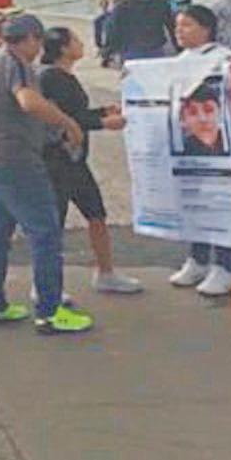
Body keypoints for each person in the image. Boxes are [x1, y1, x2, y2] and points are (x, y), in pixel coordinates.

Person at [0, 14, 95, 335]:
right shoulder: (16, 64)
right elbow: (28, 102)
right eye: (37, 41)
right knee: (45, 233)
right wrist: (67, 123)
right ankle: (50, 311)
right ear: (28, 39)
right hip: (17, 160)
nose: (39, 49)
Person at [37, 28, 141, 295]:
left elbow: (76, 113)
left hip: (74, 160)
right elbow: (64, 118)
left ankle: (106, 272)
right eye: (75, 40)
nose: (81, 44)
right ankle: (46, 284)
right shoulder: (51, 77)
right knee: (54, 224)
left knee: (96, 214)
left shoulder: (64, 76)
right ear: (63, 48)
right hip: (56, 159)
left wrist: (102, 112)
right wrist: (103, 122)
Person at [168, 3, 231, 296]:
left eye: (187, 25)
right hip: (188, 140)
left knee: (218, 203)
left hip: (220, 141)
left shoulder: (221, 58)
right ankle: (199, 259)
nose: (179, 31)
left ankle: (226, 266)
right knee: (194, 202)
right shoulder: (179, 60)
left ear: (206, 29)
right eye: (177, 26)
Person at [104, 0, 175, 62]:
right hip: (155, 48)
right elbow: (171, 26)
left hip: (131, 50)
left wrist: (110, 51)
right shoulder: (160, 2)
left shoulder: (121, 5)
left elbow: (112, 30)